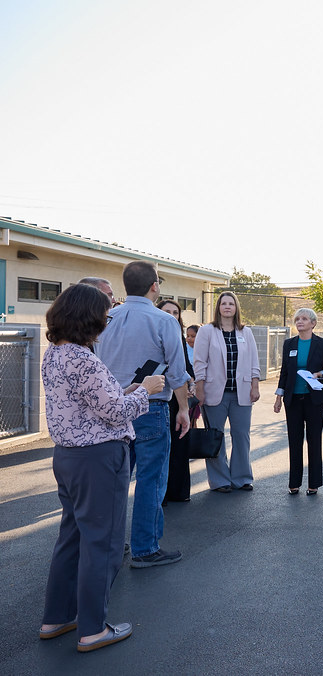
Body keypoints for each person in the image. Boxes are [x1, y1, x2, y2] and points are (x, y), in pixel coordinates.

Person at [39, 284, 165, 652]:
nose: (106, 322)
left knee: (72, 539)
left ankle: (57, 617)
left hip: (68, 456)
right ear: (89, 317)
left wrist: (127, 390)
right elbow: (114, 412)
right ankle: (92, 628)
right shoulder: (83, 358)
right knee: (104, 544)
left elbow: (92, 403)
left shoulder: (55, 354)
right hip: (98, 457)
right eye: (105, 315)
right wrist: (147, 389)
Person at [94, 261, 190, 569]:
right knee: (151, 479)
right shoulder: (164, 321)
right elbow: (176, 372)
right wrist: (184, 410)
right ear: (154, 287)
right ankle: (146, 548)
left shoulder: (106, 318)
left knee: (115, 481)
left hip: (113, 408)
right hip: (151, 407)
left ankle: (110, 543)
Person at [193, 291, 262, 493]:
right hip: (214, 392)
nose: (227, 307)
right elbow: (199, 362)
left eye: (231, 303)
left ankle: (242, 478)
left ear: (236, 307)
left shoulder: (245, 332)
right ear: (218, 307)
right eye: (223, 303)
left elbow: (253, 362)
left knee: (242, 435)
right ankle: (220, 480)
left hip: (241, 392)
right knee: (216, 436)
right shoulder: (207, 331)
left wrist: (255, 385)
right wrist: (200, 388)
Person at [273, 308, 323, 495]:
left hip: (315, 399)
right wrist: (279, 397)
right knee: (294, 440)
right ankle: (294, 482)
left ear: (313, 323)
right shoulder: (289, 344)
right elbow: (285, 371)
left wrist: (319, 375)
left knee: (314, 440)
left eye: (304, 319)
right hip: (292, 398)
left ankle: (314, 483)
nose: (300, 321)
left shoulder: (322, 343)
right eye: (297, 319)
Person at [156, 299, 196, 504]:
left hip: (178, 397)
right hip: (160, 396)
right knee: (162, 446)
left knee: (180, 442)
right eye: (167, 311)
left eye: (175, 312)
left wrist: (190, 382)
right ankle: (161, 494)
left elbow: (185, 366)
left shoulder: (179, 337)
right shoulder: (152, 333)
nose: (172, 315)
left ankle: (179, 491)